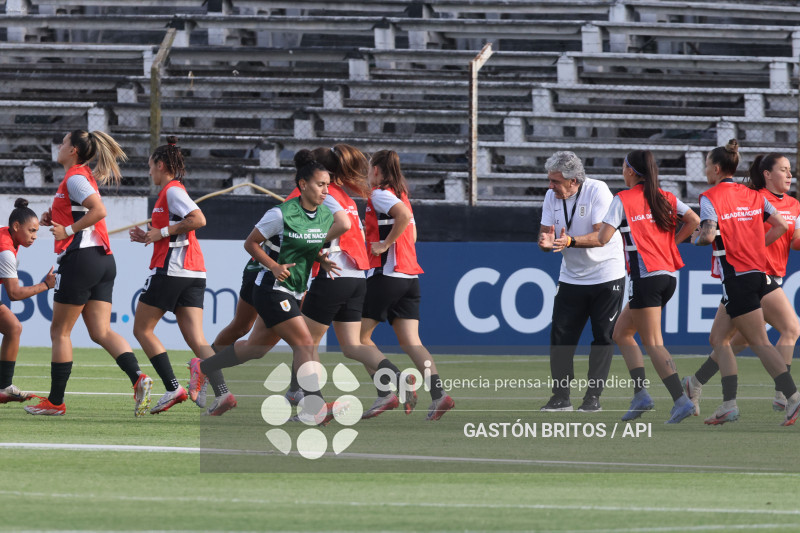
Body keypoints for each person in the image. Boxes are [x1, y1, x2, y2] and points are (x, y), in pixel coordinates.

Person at [188, 150, 345, 423]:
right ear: (303, 185)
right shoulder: (280, 213)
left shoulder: (323, 216)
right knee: (305, 342)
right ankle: (314, 407)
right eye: (320, 184)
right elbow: (250, 243)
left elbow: (308, 245)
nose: (325, 191)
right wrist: (273, 266)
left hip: (296, 289)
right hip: (271, 287)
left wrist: (321, 258)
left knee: (255, 349)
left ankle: (204, 366)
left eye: (327, 185)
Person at [25, 129, 153, 417]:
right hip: (102, 260)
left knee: (60, 331)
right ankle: (139, 378)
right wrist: (54, 219)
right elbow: (82, 212)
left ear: (73, 151)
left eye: (63, 142)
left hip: (81, 259)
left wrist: (68, 229)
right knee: (101, 331)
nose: (59, 145)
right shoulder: (79, 176)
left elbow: (98, 210)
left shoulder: (76, 178)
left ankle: (55, 402)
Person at [284, 145, 415, 419]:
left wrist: (310, 244)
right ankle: (398, 378)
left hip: (334, 275)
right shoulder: (344, 195)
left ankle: (314, 407)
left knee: (305, 344)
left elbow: (339, 226)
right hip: (356, 278)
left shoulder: (327, 194)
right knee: (352, 346)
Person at [690, 139, 800, 426]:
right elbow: (781, 226)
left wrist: (696, 237)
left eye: (705, 166)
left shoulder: (709, 197)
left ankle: (789, 397)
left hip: (737, 278)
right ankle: (701, 388)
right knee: (719, 339)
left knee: (760, 342)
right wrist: (755, 249)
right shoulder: (752, 195)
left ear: (716, 168)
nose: (705, 172)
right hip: (760, 274)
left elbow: (707, 235)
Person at [597, 150, 700, 423]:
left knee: (653, 343)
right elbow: (694, 221)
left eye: (623, 165)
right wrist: (670, 244)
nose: (622, 170)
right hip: (668, 276)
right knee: (621, 332)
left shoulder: (622, 199)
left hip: (645, 276)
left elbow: (602, 237)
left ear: (631, 171)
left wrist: (578, 236)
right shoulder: (665, 196)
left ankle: (680, 400)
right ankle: (641, 394)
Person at [128, 136, 221, 414]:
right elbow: (172, 232)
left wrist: (162, 232)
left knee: (142, 329)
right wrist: (150, 236)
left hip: (172, 271)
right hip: (193, 271)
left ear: (160, 164)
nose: (149, 172)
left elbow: (198, 219)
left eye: (150, 166)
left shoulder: (172, 191)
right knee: (197, 338)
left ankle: (173, 387)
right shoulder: (170, 193)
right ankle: (223, 392)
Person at [359, 149, 454, 421]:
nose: (367, 174)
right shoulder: (401, 195)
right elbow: (411, 232)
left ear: (376, 170)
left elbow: (401, 220)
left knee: (358, 339)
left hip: (387, 276)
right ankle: (439, 396)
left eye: (369, 168)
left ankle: (388, 389)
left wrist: (385, 244)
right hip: (409, 278)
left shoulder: (380, 195)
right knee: (412, 341)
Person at [537, 151, 626, 412]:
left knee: (602, 337)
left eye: (555, 182)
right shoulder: (550, 197)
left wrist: (570, 241)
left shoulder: (598, 191)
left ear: (574, 180)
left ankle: (593, 397)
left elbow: (602, 235)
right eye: (550, 181)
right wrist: (544, 243)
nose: (550, 186)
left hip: (606, 274)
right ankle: (560, 397)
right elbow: (545, 235)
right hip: (571, 276)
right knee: (561, 337)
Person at [0, 199, 57, 404]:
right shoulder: (6, 251)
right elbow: (13, 293)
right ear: (16, 227)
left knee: (13, 328)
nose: (34, 236)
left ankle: (4, 387)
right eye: (31, 231)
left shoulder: (8, 236)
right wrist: (45, 285)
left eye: (36, 231)